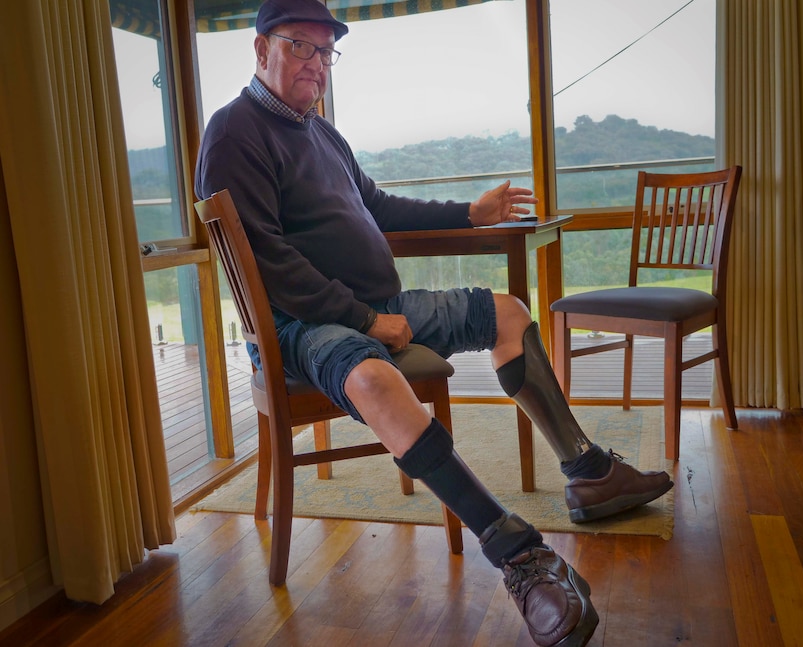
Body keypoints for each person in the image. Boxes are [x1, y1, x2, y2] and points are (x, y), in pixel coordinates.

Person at [195, 1, 674, 644]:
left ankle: (587, 471)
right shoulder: (235, 132)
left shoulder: (322, 133)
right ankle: (522, 559)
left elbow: (378, 205)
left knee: (508, 313)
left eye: (326, 51)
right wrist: (365, 318)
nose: (317, 63)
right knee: (370, 379)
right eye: (300, 46)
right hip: (302, 327)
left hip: (375, 307)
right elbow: (268, 262)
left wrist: (469, 214)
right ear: (261, 51)